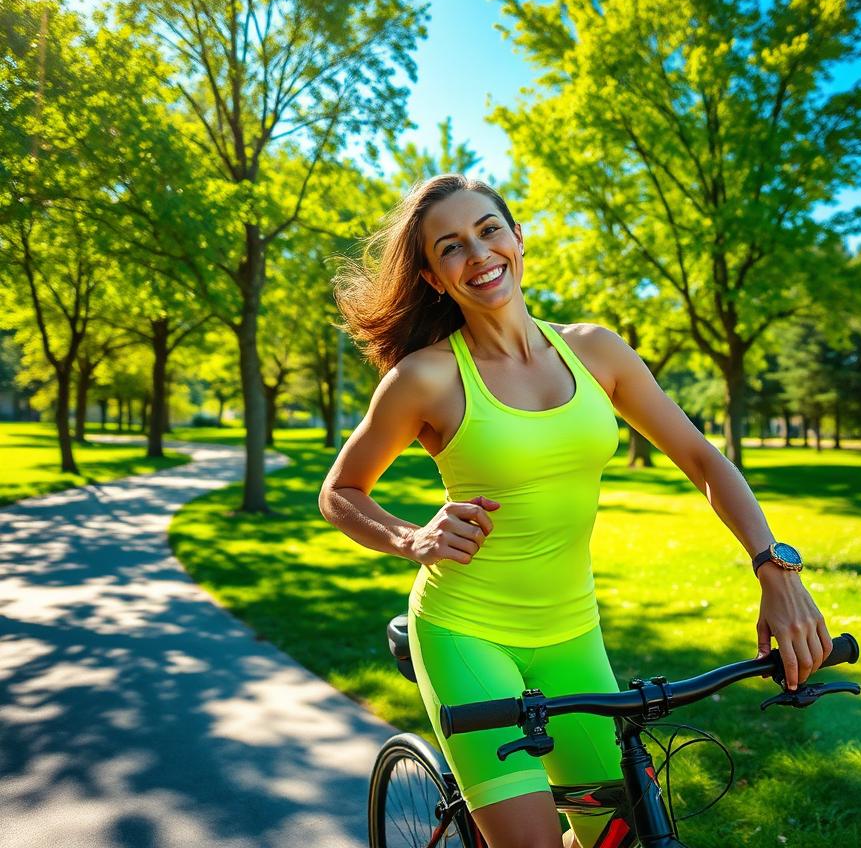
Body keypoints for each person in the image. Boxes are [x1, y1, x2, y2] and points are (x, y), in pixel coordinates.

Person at [319, 174, 833, 848]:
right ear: (435, 278)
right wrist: (413, 537)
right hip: (466, 633)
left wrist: (775, 569)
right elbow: (340, 491)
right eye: (451, 247)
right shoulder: (426, 377)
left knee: (618, 831)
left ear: (518, 239)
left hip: (572, 634)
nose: (478, 254)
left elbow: (703, 460)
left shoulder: (595, 351)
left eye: (489, 230)